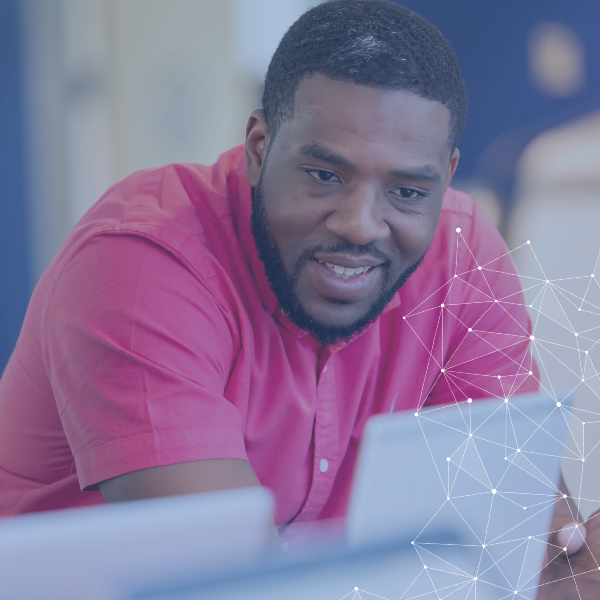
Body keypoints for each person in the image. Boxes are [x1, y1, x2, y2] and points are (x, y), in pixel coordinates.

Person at [0, 0, 595, 595]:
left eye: (408, 190)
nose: (361, 225)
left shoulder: (461, 253)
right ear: (259, 145)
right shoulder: (140, 266)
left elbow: (525, 552)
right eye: (324, 175)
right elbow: (231, 586)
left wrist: (577, 568)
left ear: (446, 173)